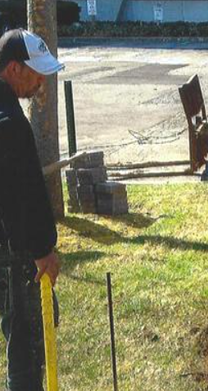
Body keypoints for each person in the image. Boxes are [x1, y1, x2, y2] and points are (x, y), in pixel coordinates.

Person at [0, 28, 63, 391]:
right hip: (16, 254)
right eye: (35, 73)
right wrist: (40, 251)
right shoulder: (8, 123)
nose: (41, 82)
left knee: (23, 332)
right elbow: (17, 194)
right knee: (27, 339)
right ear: (12, 69)